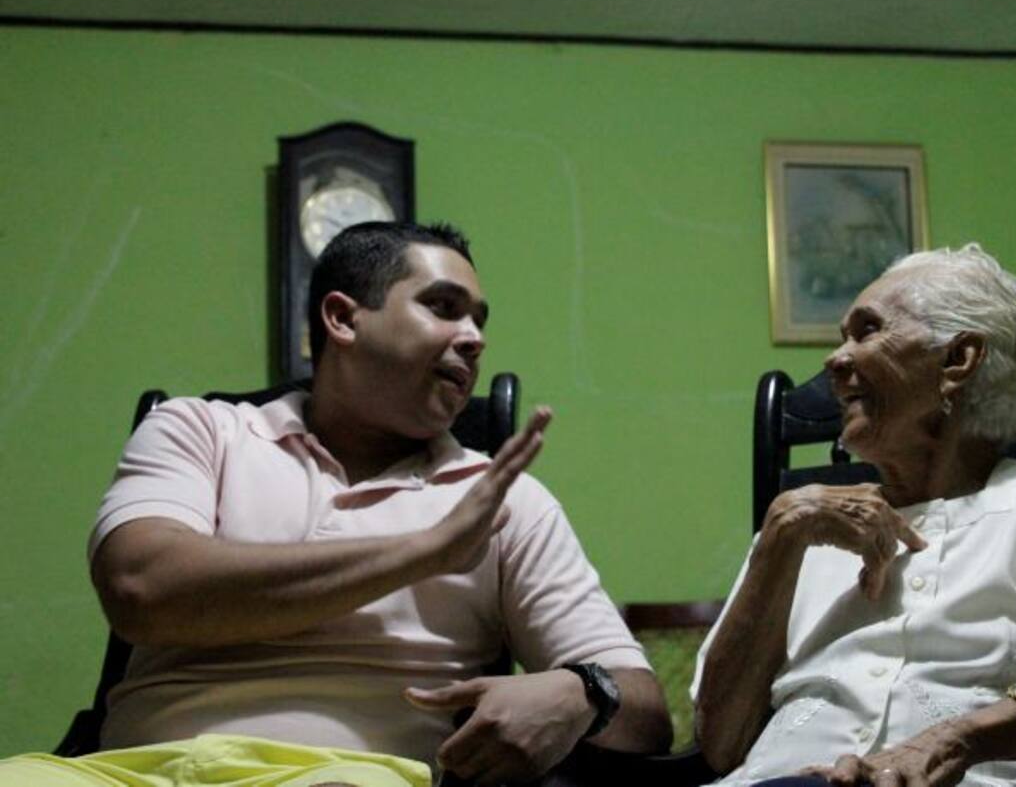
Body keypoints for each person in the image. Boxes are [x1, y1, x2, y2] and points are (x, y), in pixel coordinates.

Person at [2, 221, 671, 787]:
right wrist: (423, 551)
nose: (474, 337)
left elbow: (646, 711)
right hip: (122, 772)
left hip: (346, 774)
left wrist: (585, 692)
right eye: (443, 307)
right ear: (343, 317)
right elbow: (141, 588)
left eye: (479, 320)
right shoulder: (200, 432)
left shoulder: (501, 499)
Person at [693, 244, 1016, 787]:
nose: (835, 360)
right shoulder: (804, 525)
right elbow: (720, 745)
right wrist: (780, 533)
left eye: (867, 331)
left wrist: (955, 741)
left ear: (957, 361)